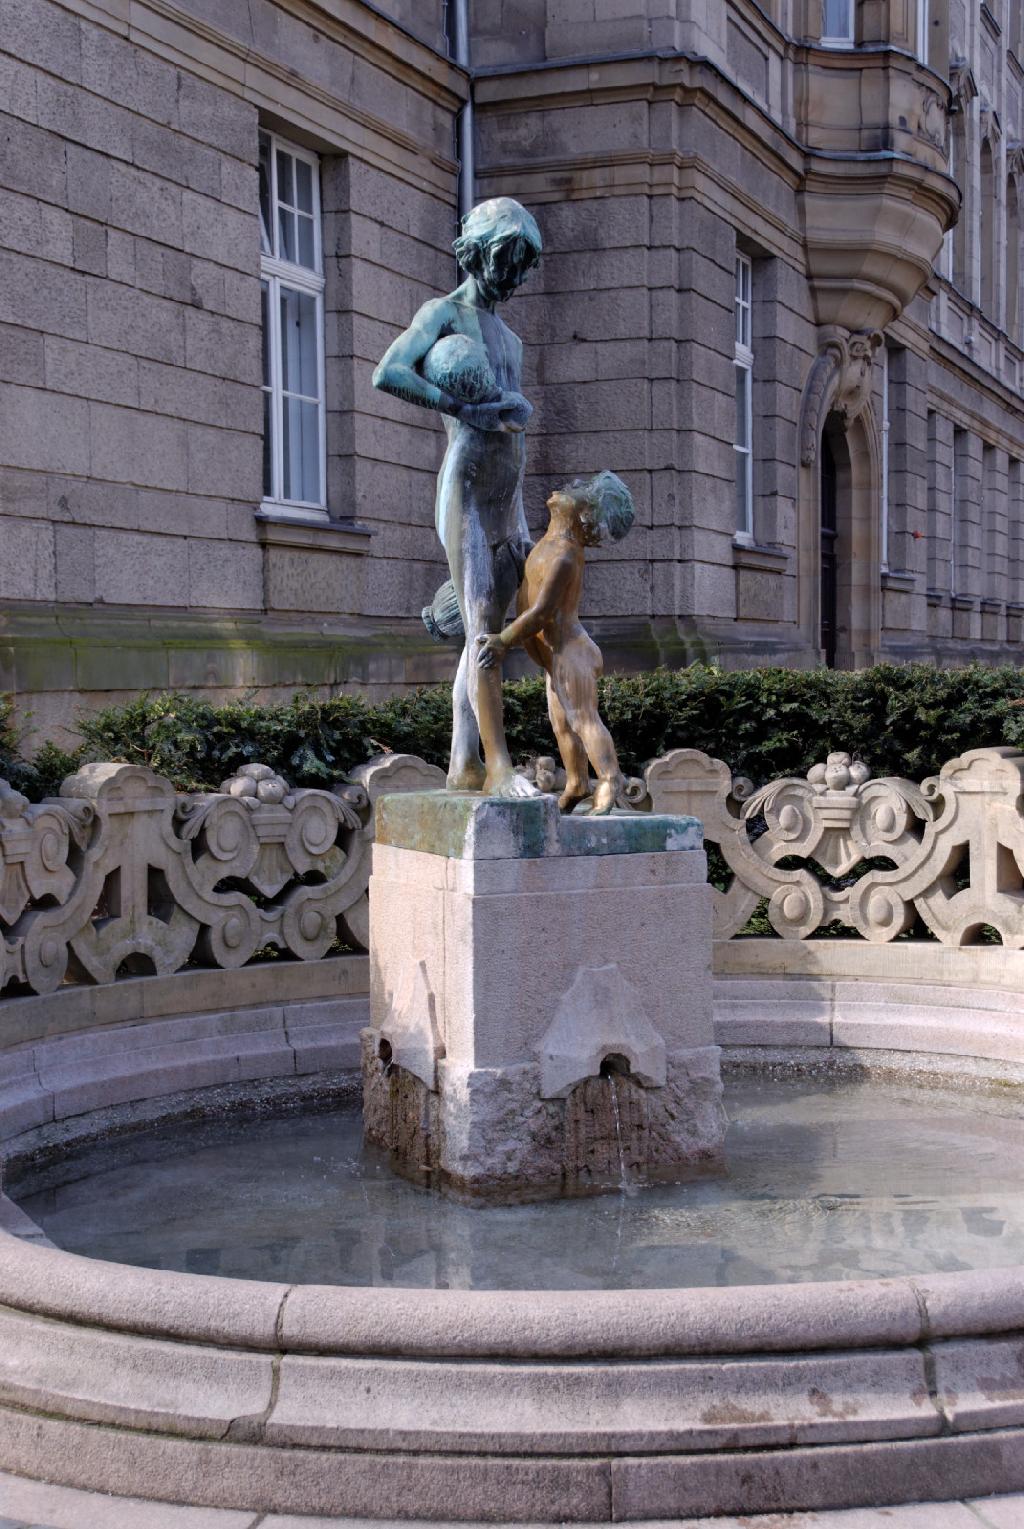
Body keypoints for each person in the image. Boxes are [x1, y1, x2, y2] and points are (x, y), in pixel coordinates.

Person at [372, 197, 542, 797]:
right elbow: (388, 372)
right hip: (466, 488)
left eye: (524, 265)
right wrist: (462, 407)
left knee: (497, 628)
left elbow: (511, 416)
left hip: (508, 493)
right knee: (480, 632)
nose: (516, 276)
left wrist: (512, 413)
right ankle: (496, 765)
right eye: (509, 260)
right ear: (479, 254)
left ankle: (462, 761)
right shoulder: (441, 314)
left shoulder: (511, 341)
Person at [476, 471, 635, 815]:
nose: (567, 487)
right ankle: (577, 783)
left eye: (579, 492)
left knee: (583, 720)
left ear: (586, 514)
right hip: (555, 659)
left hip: (571, 654)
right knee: (563, 726)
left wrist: (503, 640)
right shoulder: (548, 545)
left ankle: (610, 779)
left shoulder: (563, 554)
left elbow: (542, 613)